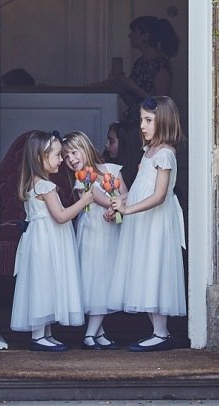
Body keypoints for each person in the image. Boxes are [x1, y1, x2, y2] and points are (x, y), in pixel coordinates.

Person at [108, 95, 186, 352]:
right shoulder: (148, 151)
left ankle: (161, 333)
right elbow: (140, 187)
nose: (142, 125)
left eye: (149, 120)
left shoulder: (166, 154)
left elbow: (159, 195)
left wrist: (128, 209)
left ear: (163, 121)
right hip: (141, 220)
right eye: (142, 120)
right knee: (143, 268)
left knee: (155, 268)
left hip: (156, 222)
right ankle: (157, 331)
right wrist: (119, 201)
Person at [10, 129, 94, 351]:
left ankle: (45, 333)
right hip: (45, 242)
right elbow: (61, 216)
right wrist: (86, 199)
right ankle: (38, 336)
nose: (61, 160)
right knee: (43, 284)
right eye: (57, 155)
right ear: (40, 158)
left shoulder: (34, 182)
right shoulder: (45, 186)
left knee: (45, 284)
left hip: (41, 240)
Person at [62, 130, 128, 350]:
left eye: (73, 152)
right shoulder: (82, 181)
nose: (71, 159)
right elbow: (97, 198)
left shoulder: (111, 170)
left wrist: (118, 204)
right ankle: (90, 334)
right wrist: (112, 203)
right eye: (66, 156)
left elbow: (127, 193)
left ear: (85, 147)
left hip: (109, 232)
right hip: (92, 233)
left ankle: (98, 333)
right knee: (95, 278)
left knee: (105, 278)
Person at [110, 16, 180, 122]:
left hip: (152, 125)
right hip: (135, 123)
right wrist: (122, 89)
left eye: (134, 31)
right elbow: (135, 102)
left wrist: (133, 87)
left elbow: (160, 106)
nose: (130, 35)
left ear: (145, 36)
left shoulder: (161, 65)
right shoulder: (140, 62)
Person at [103, 120, 141, 189]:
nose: (106, 144)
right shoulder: (105, 164)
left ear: (124, 143)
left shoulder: (139, 168)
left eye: (111, 141)